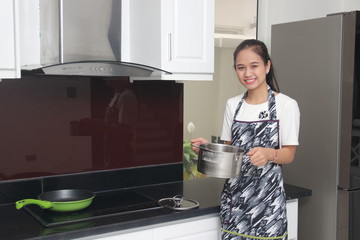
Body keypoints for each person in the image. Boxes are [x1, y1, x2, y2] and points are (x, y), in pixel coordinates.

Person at [192, 39, 300, 240]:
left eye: (254, 66)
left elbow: (289, 154)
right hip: (235, 204)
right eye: (241, 68)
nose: (247, 73)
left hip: (268, 206)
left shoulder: (286, 105)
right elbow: (229, 152)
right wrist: (208, 151)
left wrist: (270, 154)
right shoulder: (233, 105)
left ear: (267, 66)